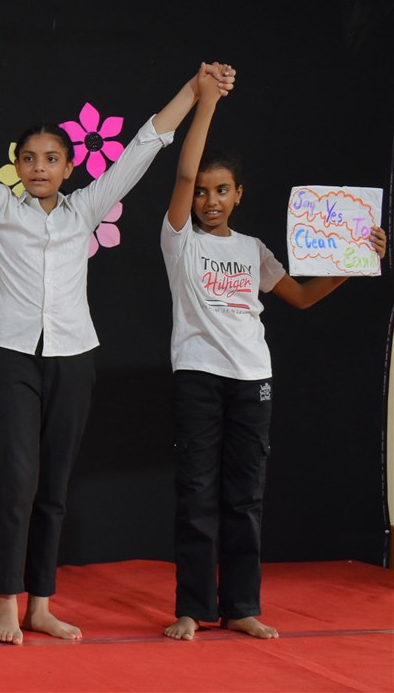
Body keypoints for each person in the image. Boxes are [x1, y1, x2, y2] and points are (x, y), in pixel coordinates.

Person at [0, 56, 234, 644]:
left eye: (51, 158)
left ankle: (41, 605)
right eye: (29, 158)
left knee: (54, 486)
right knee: (16, 481)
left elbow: (144, 145)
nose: (39, 167)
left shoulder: (86, 209)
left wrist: (192, 88)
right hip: (10, 356)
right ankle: (6, 602)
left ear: (70, 166)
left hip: (74, 357)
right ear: (16, 165)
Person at [159, 68, 386, 642]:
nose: (210, 200)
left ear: (239, 194)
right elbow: (184, 170)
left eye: (221, 190)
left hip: (252, 380)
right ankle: (192, 609)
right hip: (198, 378)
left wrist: (357, 260)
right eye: (202, 191)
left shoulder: (253, 249)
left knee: (245, 499)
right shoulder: (179, 240)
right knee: (197, 496)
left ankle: (240, 606)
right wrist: (207, 100)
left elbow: (302, 298)